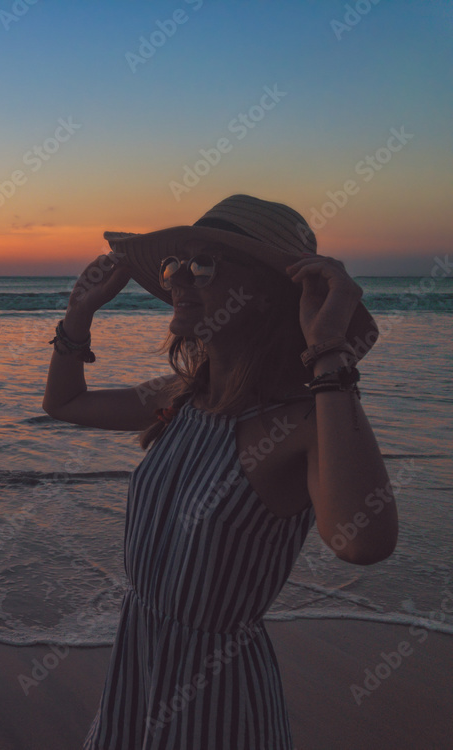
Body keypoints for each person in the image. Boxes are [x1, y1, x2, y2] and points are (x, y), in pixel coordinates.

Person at [41, 195, 398, 749]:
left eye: (204, 265)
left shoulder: (301, 422)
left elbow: (364, 541)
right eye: (175, 264)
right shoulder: (181, 397)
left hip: (217, 702)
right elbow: (65, 404)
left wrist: (328, 351)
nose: (180, 281)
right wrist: (77, 314)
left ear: (263, 295)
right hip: (136, 673)